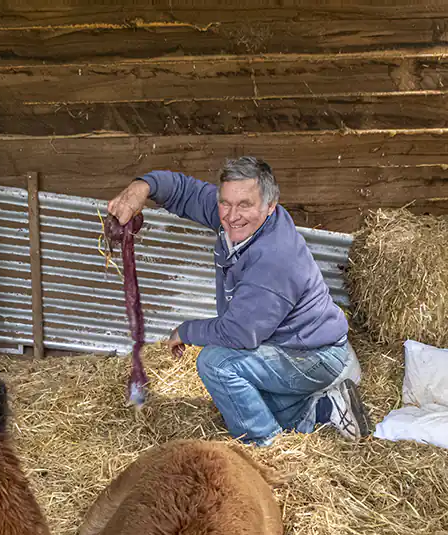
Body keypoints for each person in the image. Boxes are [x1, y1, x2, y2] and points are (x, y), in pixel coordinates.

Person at [107, 156, 371, 446]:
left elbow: (239, 334)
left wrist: (185, 330)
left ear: (270, 206)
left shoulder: (274, 258)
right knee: (245, 402)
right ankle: (324, 410)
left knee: (217, 364)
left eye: (244, 205)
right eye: (225, 203)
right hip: (288, 346)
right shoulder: (236, 217)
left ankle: (265, 446)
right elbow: (183, 190)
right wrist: (141, 187)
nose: (232, 215)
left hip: (313, 356)